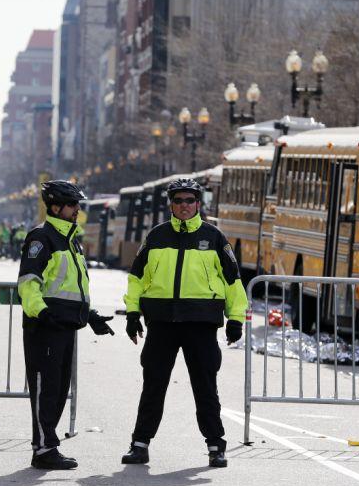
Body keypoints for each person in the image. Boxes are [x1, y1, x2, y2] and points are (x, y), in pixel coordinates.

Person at [121, 178, 248, 468]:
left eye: (189, 201)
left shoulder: (214, 237)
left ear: (198, 204)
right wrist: (132, 314)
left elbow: (232, 282)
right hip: (162, 323)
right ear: (171, 204)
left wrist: (235, 318)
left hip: (200, 324)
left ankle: (216, 446)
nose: (184, 206)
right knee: (153, 385)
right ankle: (139, 445)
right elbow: (137, 279)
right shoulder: (156, 236)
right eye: (178, 201)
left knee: (205, 388)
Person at [18, 180, 115, 470]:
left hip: (66, 326)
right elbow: (28, 284)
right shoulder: (41, 237)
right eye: (74, 205)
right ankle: (43, 448)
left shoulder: (71, 238)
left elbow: (72, 286)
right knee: (44, 388)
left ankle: (48, 444)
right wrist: (42, 313)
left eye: (79, 205)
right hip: (45, 326)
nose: (78, 210)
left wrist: (91, 315)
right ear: (56, 206)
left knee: (59, 389)